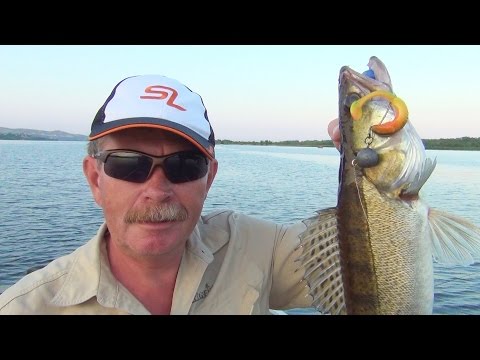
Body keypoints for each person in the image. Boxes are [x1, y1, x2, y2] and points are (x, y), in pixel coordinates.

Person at [0, 75, 340, 314]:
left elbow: (378, 251)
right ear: (95, 178)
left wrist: (380, 167)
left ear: (209, 179)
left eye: (184, 165)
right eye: (129, 164)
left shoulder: (255, 247)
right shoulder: (25, 307)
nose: (157, 191)